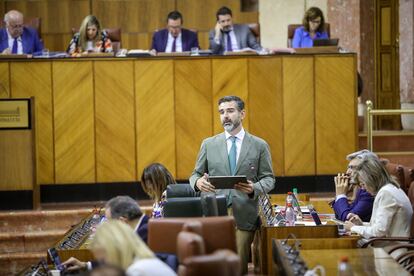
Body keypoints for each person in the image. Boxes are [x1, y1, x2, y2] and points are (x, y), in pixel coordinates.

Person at [189, 95, 275, 274]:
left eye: (230, 111)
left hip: (245, 213)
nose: (225, 116)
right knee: (215, 266)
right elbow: (195, 174)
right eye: (221, 112)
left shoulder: (259, 145)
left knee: (237, 266)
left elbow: (269, 178)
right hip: (214, 213)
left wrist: (255, 188)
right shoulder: (209, 144)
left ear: (242, 114)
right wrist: (198, 182)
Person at [344, 153, 412, 252]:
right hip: (388, 246)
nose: (363, 188)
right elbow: (382, 228)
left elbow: (379, 232)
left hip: (392, 252)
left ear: (371, 179)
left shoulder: (386, 193)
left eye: (363, 184)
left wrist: (353, 228)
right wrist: (361, 224)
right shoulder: (390, 189)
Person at [62, 196, 150, 271]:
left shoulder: (145, 233)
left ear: (122, 221)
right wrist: (86, 265)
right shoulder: (143, 226)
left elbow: (121, 262)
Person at [92, 220, 176, 276]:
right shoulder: (141, 261)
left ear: (113, 250)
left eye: (103, 258)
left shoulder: (137, 271)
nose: (105, 263)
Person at [331, 150, 375, 222]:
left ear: (366, 169)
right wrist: (342, 196)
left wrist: (340, 195)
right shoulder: (361, 189)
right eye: (348, 167)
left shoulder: (368, 191)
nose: (347, 172)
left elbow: (348, 219)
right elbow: (340, 215)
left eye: (352, 167)